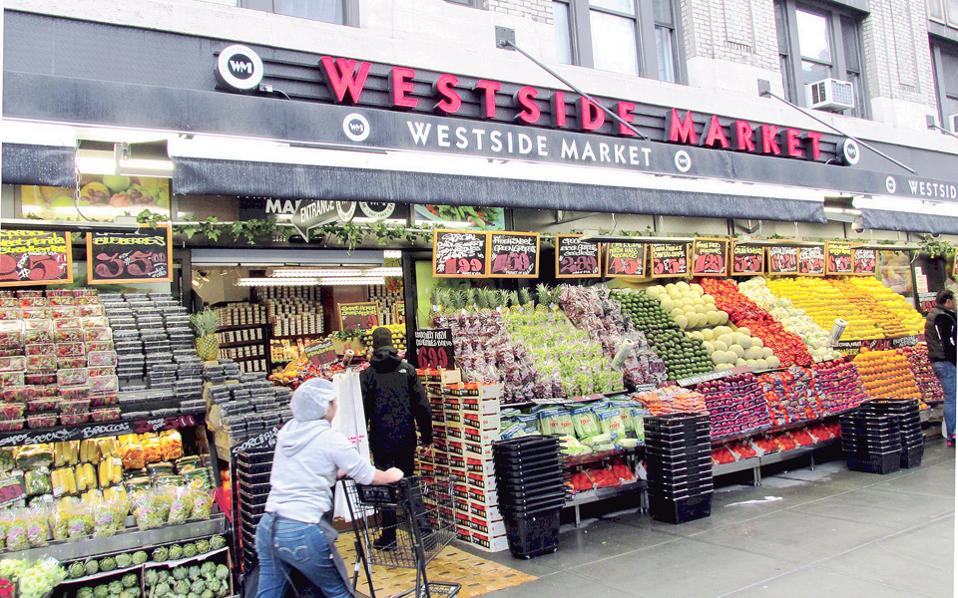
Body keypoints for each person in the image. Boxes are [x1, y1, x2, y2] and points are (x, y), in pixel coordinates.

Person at [255, 378, 404, 598]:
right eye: (333, 402)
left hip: (269, 525)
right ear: (325, 407)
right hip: (302, 528)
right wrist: (391, 475)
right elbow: (366, 475)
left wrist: (332, 473)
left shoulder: (288, 432)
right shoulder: (330, 438)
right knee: (337, 592)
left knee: (269, 593)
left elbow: (301, 468)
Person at [360, 327, 432, 549]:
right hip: (405, 436)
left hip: (380, 439)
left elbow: (362, 411)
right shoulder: (407, 370)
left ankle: (389, 537)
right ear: (392, 344)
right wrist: (427, 437)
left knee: (386, 486)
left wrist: (362, 441)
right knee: (409, 482)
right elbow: (422, 405)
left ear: (374, 347)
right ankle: (424, 533)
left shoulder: (367, 375)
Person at [925, 289, 956, 447]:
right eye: (953, 300)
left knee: (951, 397)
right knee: (952, 398)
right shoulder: (942, 317)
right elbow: (948, 343)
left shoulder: (934, 314)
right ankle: (953, 433)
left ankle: (952, 433)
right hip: (945, 362)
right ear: (948, 301)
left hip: (938, 362)